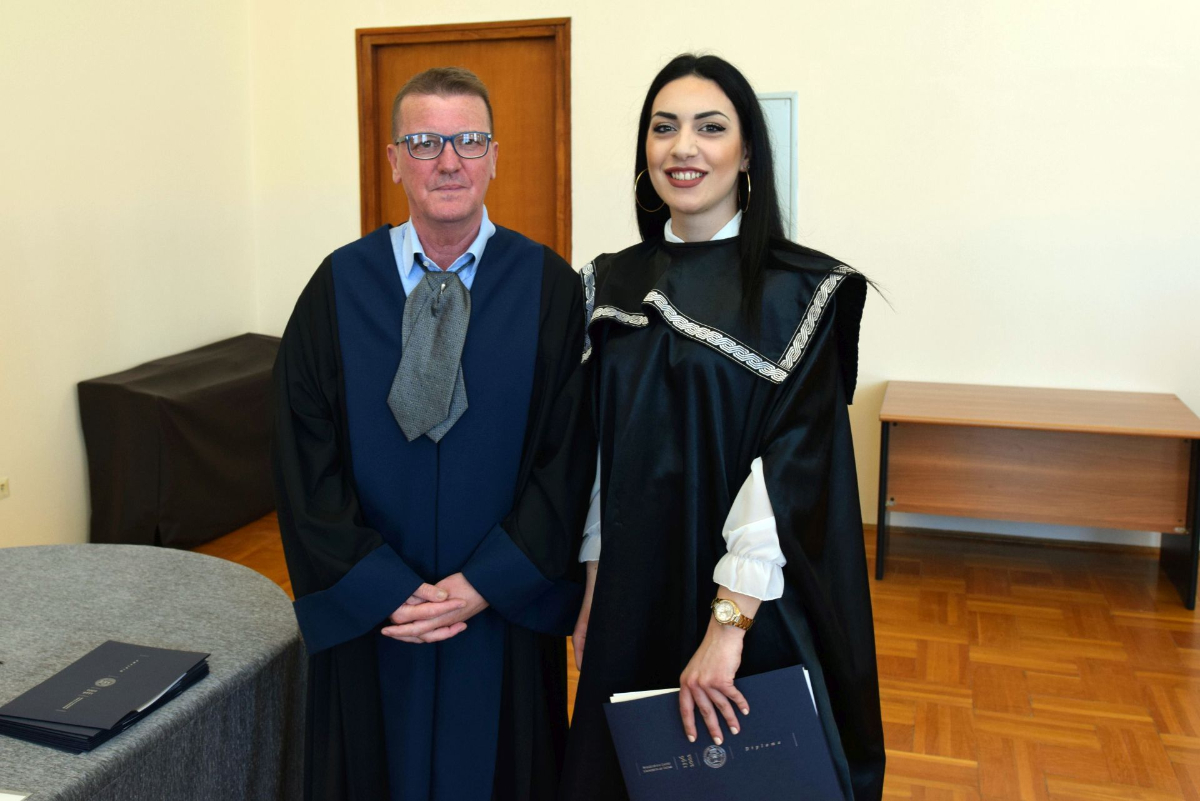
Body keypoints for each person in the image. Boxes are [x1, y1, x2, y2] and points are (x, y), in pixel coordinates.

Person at [560, 54, 885, 800]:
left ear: (746, 154)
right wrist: (595, 585)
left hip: (751, 602)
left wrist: (726, 627)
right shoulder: (610, 282)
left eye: (710, 128)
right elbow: (602, 458)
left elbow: (788, 476)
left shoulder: (799, 290)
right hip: (634, 592)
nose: (684, 148)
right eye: (664, 128)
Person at [272, 66, 594, 801]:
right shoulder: (336, 288)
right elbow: (301, 457)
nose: (448, 161)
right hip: (377, 622)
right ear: (394, 161)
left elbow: (569, 458)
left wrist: (488, 582)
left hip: (501, 618)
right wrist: (381, 588)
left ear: (494, 156)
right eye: (424, 143)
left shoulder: (549, 289)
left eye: (468, 140)